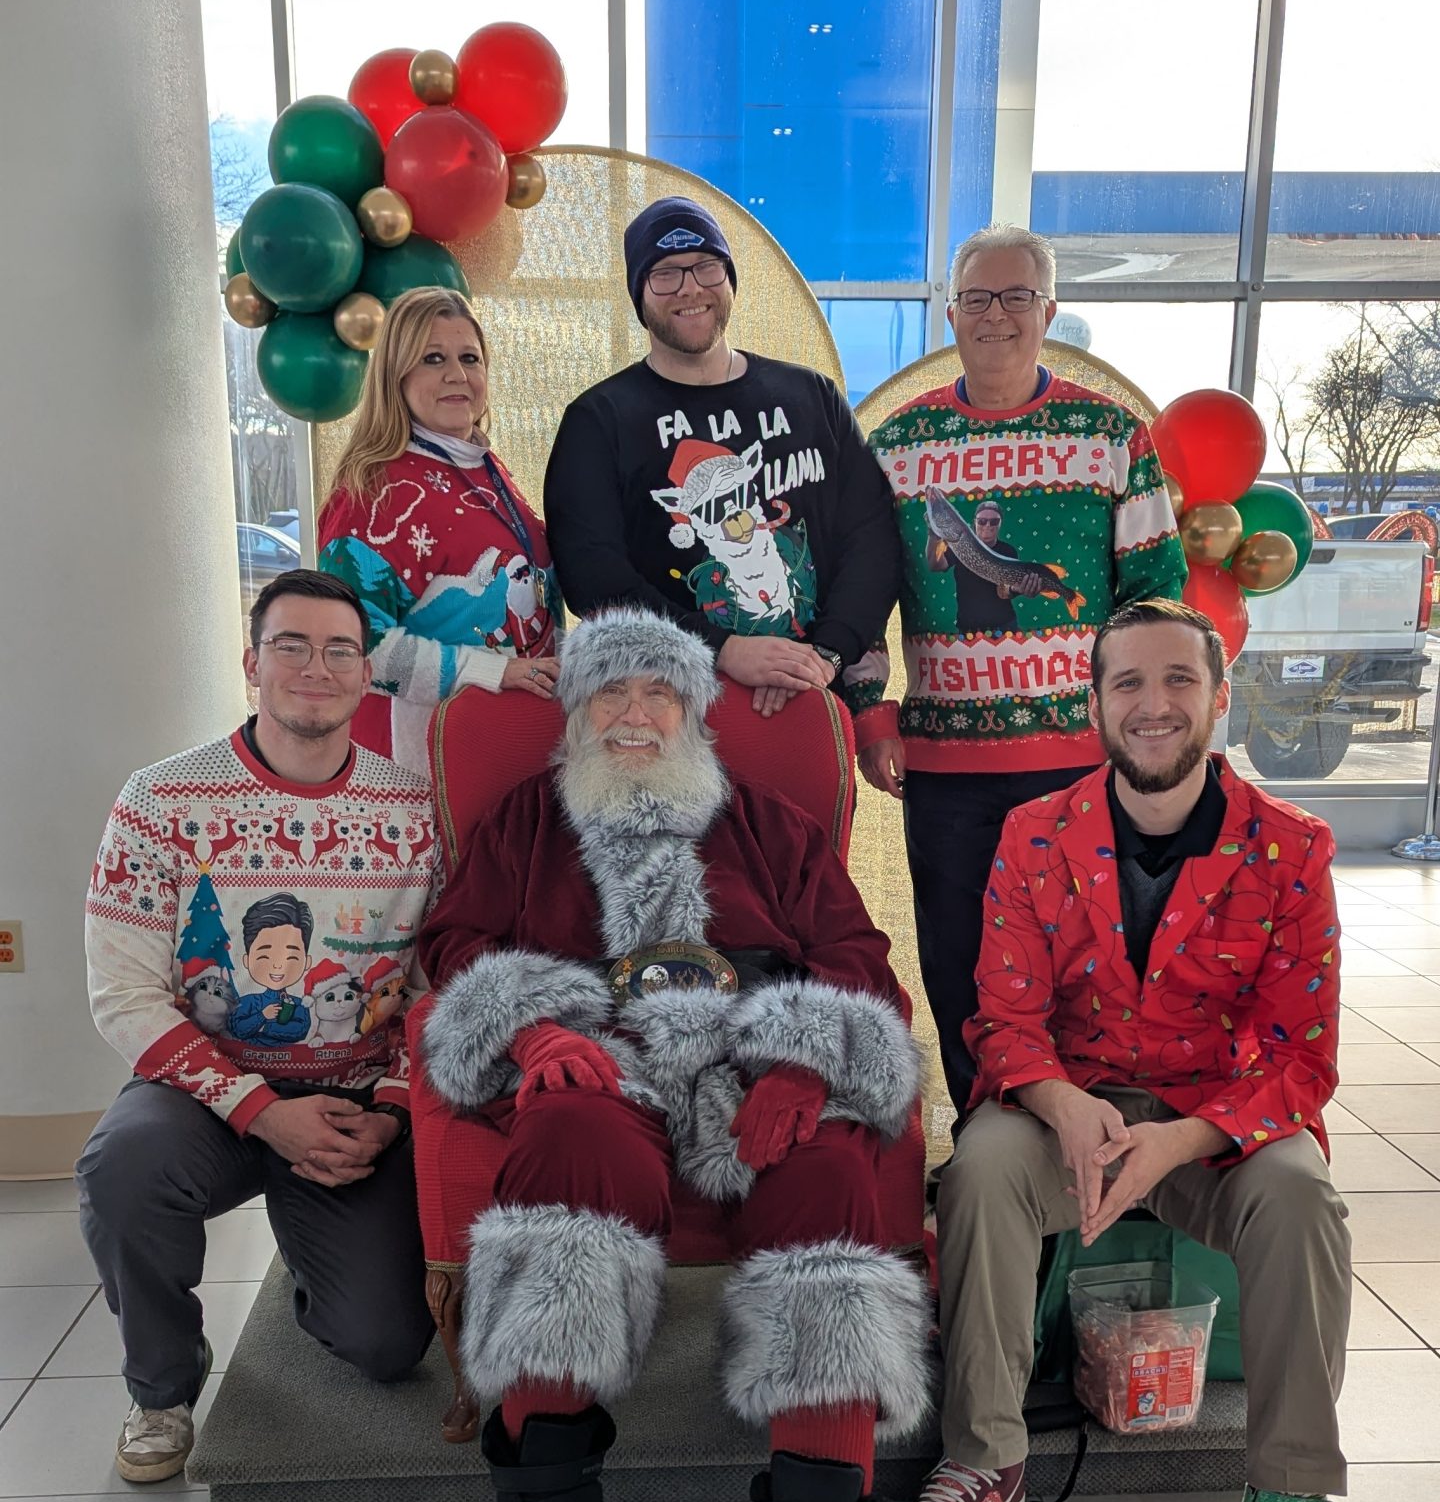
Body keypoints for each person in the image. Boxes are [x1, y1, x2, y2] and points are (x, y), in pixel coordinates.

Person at [418, 607, 928, 1502]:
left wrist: (803, 1058)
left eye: (660, 693)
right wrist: (532, 1025)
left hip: (755, 1062)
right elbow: (455, 947)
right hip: (598, 1065)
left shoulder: (770, 826)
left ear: (695, 712)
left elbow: (854, 957)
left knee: (833, 1176)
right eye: (612, 693)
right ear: (579, 715)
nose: (636, 712)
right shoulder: (525, 824)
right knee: (568, 1150)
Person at [877, 598, 1350, 1502]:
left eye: (1177, 681)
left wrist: (1184, 1136)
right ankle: (985, 1460)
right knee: (985, 1163)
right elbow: (1000, 1015)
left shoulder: (1290, 848)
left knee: (1303, 1197)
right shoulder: (1034, 833)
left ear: (1219, 697)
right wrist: (1052, 1099)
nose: (1153, 705)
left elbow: (1301, 1060)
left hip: (1214, 1127)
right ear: (1094, 703)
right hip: (1072, 1114)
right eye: (1127, 683)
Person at [79, 571, 439, 1485]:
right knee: (123, 1170)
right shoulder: (161, 801)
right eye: (291, 646)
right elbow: (124, 995)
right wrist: (260, 1114)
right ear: (252, 663)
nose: (315, 668)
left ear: (366, 677)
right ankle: (161, 1388)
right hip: (206, 1095)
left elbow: (439, 980)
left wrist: (393, 1108)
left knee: (388, 1346)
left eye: (339, 651)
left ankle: (317, 1237)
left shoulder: (416, 812)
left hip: (360, 1099)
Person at [856, 224, 1189, 1107]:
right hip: (947, 770)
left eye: (1014, 298)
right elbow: (858, 591)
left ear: (1048, 311)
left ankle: (1090, 1142)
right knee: (961, 965)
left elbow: (1158, 598)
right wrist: (869, 704)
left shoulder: (1114, 434)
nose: (993, 316)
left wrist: (1150, 739)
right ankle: (984, 1144)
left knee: (1090, 967)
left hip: (1085, 767)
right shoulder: (897, 446)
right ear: (951, 312)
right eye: (975, 298)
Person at [542, 196, 901, 718]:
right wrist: (721, 649)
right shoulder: (599, 421)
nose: (690, 287)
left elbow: (872, 537)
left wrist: (825, 655)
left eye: (707, 266)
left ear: (731, 281)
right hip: (669, 724)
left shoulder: (812, 397)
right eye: (664, 274)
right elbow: (592, 577)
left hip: (813, 707)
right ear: (639, 295)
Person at [318, 285, 560, 770]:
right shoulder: (371, 492)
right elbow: (352, 646)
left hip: (513, 750)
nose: (457, 374)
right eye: (432, 358)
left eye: (470, 358)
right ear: (396, 375)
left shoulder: (485, 467)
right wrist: (492, 670)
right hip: (423, 766)